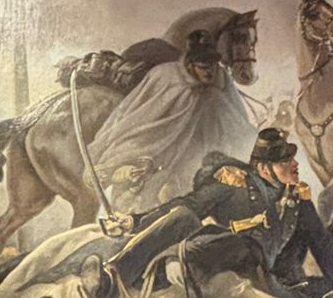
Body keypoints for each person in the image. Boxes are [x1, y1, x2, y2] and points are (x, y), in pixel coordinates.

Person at [80, 126, 333, 298]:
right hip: (219, 254)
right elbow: (187, 204)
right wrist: (134, 222)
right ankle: (110, 279)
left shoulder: (298, 199)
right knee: (185, 216)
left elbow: (323, 246)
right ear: (264, 168)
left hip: (271, 277)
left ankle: (165, 269)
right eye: (284, 161)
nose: (294, 164)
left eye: (291, 159)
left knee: (244, 246)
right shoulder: (234, 183)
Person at [88, 27, 254, 202]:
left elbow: (233, 119)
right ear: (191, 64)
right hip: (155, 149)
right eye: (203, 67)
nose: (209, 72)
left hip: (192, 155)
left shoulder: (216, 86)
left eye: (212, 66)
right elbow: (136, 112)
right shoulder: (165, 76)